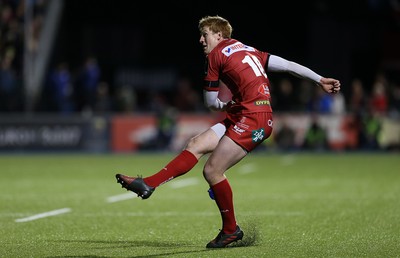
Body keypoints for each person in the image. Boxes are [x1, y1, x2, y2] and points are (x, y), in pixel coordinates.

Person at [115, 15, 341, 248]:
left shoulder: (216, 55)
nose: (201, 40)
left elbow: (211, 102)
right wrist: (319, 79)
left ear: (220, 35)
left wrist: (225, 101)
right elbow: (287, 65)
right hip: (248, 115)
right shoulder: (248, 50)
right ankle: (149, 184)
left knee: (212, 171)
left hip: (252, 118)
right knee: (196, 144)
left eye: (205, 35)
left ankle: (231, 230)